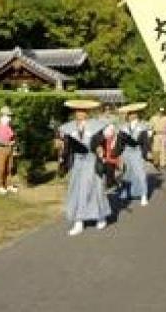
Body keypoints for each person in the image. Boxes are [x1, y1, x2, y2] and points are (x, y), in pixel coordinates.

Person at [60, 99, 111, 236]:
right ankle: (79, 221)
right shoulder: (69, 127)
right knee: (77, 190)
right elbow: (66, 146)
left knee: (95, 188)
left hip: (92, 160)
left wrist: (100, 150)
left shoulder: (96, 126)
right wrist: (62, 152)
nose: (80, 114)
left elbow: (100, 141)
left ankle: (100, 216)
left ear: (87, 113)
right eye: (77, 111)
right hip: (78, 162)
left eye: (82, 111)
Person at [116, 102, 150, 206]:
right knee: (126, 172)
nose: (132, 116)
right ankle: (126, 192)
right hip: (126, 151)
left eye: (134, 113)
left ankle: (143, 194)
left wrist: (145, 153)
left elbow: (145, 141)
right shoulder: (123, 127)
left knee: (140, 173)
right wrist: (117, 153)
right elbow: (120, 141)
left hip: (137, 151)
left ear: (137, 114)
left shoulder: (142, 126)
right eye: (130, 114)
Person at [0, 106, 17, 195]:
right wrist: (6, 143)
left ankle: (9, 185)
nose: (9, 118)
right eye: (8, 115)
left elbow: (12, 136)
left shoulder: (9, 126)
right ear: (2, 116)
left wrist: (13, 144)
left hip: (9, 149)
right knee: (1, 168)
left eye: (10, 116)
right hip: (1, 149)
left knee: (9, 168)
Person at [102, 123, 122, 190]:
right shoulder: (105, 139)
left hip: (113, 159)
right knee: (107, 167)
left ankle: (110, 183)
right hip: (106, 159)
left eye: (112, 131)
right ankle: (112, 182)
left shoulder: (117, 139)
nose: (110, 134)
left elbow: (118, 150)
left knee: (109, 166)